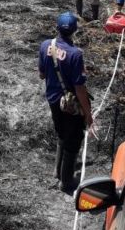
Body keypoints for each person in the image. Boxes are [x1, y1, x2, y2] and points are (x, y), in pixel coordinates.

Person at [38, 12, 93, 194]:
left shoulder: (47, 45)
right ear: (74, 31)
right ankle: (67, 181)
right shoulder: (75, 54)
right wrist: (88, 114)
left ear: (57, 28)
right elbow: (80, 89)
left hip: (53, 100)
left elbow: (42, 74)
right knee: (73, 141)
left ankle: (58, 171)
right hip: (70, 105)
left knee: (61, 133)